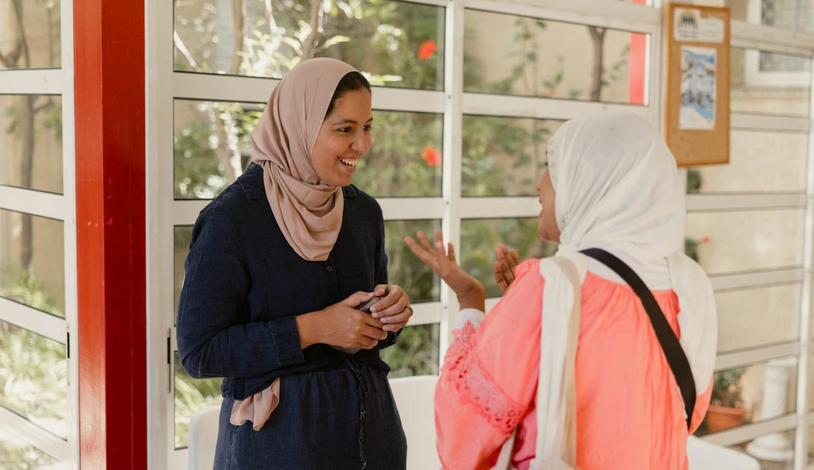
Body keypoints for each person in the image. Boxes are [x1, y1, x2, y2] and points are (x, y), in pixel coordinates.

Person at [405, 112, 717, 470]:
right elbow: (681, 415)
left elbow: (465, 432)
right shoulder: (690, 284)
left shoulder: (550, 285)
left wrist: (471, 301)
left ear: (591, 182)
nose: (540, 183)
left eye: (554, 167)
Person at [177, 58, 412, 470]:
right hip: (279, 446)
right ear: (298, 126)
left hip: (373, 438)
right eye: (345, 129)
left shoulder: (363, 212)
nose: (362, 145)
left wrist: (387, 313)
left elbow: (369, 332)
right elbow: (200, 352)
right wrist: (314, 328)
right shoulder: (233, 219)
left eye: (367, 127)